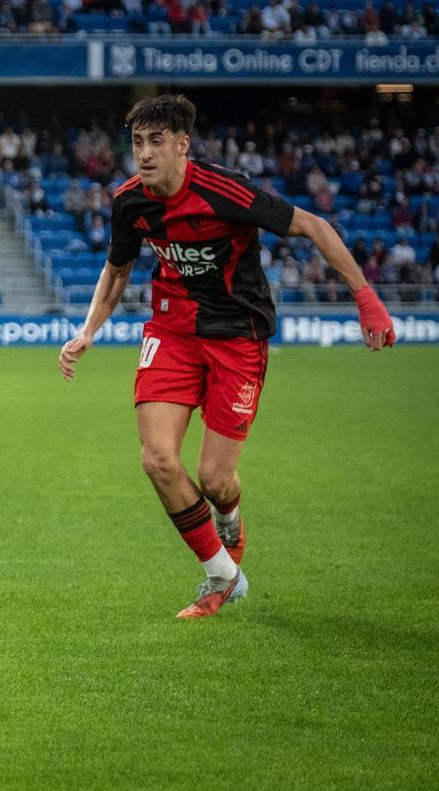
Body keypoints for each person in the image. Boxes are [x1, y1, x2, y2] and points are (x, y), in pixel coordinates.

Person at [57, 95, 396, 620]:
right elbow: (118, 269)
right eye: (137, 143)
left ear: (182, 146)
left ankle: (229, 515)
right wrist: (88, 331)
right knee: (158, 458)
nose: (144, 154)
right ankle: (222, 575)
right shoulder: (130, 202)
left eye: (156, 142)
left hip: (238, 335)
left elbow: (314, 227)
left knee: (215, 479)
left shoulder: (226, 191)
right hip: (171, 329)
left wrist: (365, 298)